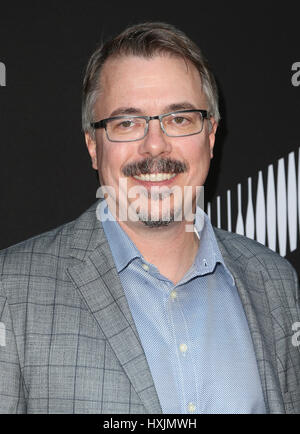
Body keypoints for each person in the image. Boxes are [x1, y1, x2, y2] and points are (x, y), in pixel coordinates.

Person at [0, 22, 299, 415]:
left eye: (179, 119)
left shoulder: (277, 284)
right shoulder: (11, 289)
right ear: (93, 146)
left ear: (210, 136)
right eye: (127, 122)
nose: (154, 145)